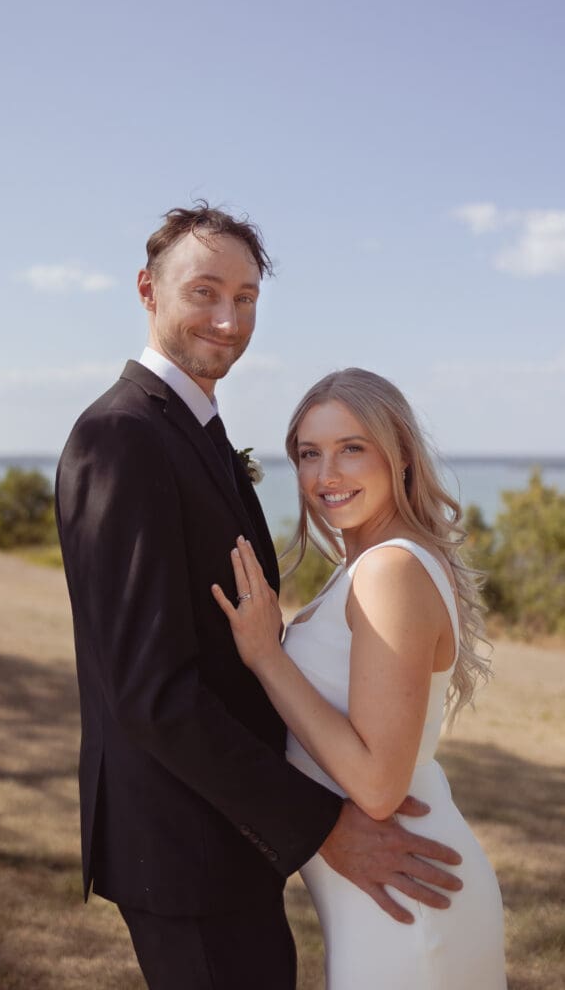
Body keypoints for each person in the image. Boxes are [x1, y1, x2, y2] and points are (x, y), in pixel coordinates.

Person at [55, 206, 463, 990]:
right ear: (147, 290)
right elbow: (152, 694)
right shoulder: (123, 436)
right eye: (204, 292)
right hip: (182, 847)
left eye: (245, 298)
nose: (227, 318)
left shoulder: (193, 430)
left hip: (227, 840)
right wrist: (321, 830)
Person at [213, 367, 507, 989]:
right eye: (309, 454)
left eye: (352, 448)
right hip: (386, 893)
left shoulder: (390, 570)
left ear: (398, 453)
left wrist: (268, 655)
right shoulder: (370, 563)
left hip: (408, 898)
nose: (327, 476)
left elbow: (377, 786)